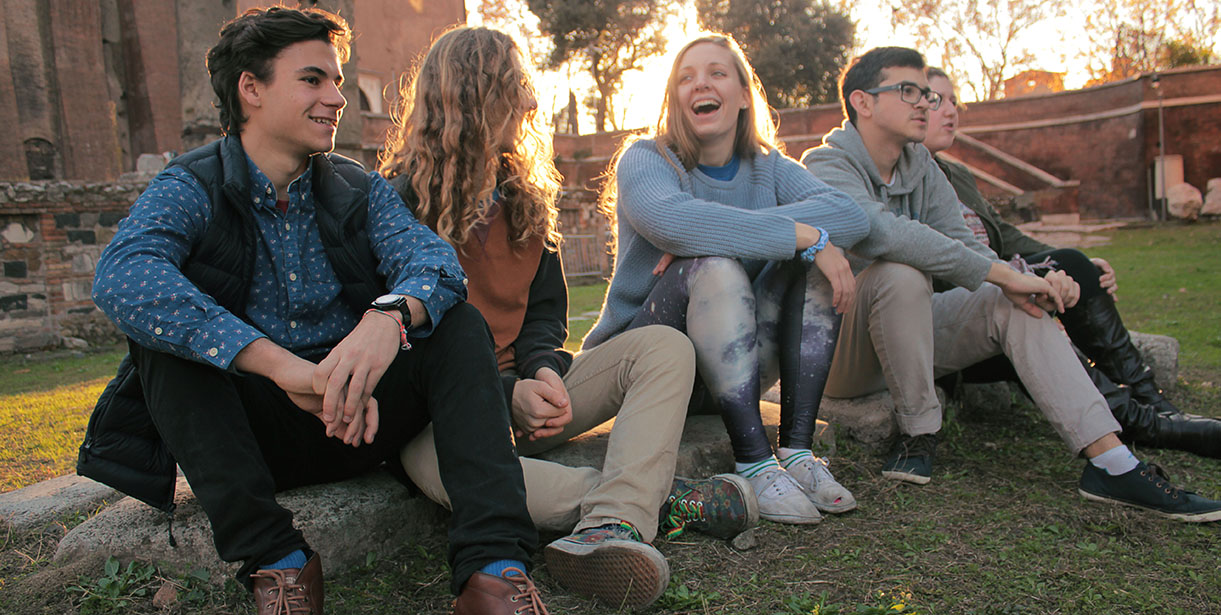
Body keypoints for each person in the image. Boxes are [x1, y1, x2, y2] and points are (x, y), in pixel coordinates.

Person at [79, 8, 550, 614]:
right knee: (163, 344)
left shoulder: (356, 186)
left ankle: (493, 571)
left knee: (456, 323)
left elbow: (435, 264)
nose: (337, 97)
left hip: (364, 415)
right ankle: (279, 563)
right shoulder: (192, 185)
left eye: (337, 80)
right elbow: (124, 277)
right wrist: (283, 368)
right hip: (251, 435)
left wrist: (386, 321)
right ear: (251, 88)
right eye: (313, 80)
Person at [378, 27, 756, 609]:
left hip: (535, 391)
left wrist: (543, 370)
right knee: (430, 463)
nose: (531, 103)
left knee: (663, 348)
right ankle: (639, 508)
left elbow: (547, 314)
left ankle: (612, 525)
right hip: (442, 414)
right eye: (516, 87)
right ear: (474, 96)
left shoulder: (524, 197)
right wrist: (504, 395)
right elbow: (400, 342)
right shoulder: (395, 205)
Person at [801, 46, 1221, 522]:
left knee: (1015, 302)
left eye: (926, 93)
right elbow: (883, 233)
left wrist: (1023, 281)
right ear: (863, 101)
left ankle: (1112, 463)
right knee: (899, 270)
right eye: (908, 91)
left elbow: (966, 245)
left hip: (912, 337)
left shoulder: (925, 168)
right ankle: (919, 433)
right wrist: (1004, 274)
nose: (925, 102)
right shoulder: (824, 164)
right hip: (840, 351)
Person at [585, 33, 870, 526]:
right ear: (673, 98)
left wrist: (720, 229)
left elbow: (851, 215)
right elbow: (670, 221)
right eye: (685, 77)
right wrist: (794, 233)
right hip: (651, 364)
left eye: (717, 73)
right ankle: (754, 460)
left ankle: (798, 453)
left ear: (742, 93)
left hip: (738, 366)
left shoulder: (770, 168)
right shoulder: (647, 159)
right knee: (720, 263)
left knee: (817, 258)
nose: (701, 84)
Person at [920, 67, 1221, 459]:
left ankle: (1153, 400)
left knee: (1075, 264)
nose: (951, 111)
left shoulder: (956, 174)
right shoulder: (907, 182)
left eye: (954, 101)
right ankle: (1138, 422)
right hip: (967, 314)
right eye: (936, 100)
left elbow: (1005, 235)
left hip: (1002, 281)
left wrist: (1063, 264)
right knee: (1024, 301)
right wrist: (1028, 276)